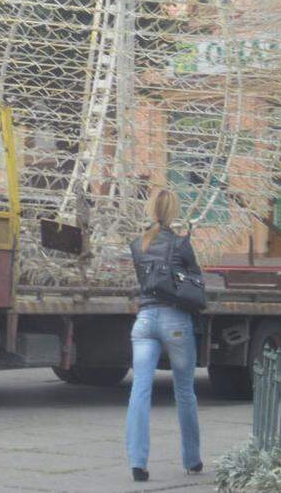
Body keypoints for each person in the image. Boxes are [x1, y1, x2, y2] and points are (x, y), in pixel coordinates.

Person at [126, 188, 202, 483]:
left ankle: (137, 462)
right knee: (184, 391)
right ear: (173, 212)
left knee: (139, 391)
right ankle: (192, 459)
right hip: (175, 320)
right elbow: (195, 279)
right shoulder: (181, 244)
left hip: (144, 320)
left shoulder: (137, 244)